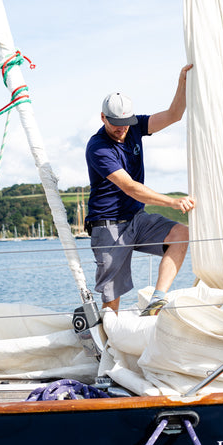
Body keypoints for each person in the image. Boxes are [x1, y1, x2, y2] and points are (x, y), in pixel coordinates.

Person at [84, 64, 195, 315]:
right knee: (112, 298)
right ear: (103, 118)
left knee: (181, 234)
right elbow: (131, 188)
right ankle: (108, 342)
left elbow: (174, 114)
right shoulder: (98, 147)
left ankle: (156, 301)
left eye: (125, 123)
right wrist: (172, 202)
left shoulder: (134, 127)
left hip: (137, 219)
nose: (121, 128)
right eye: (115, 123)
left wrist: (184, 81)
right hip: (108, 226)